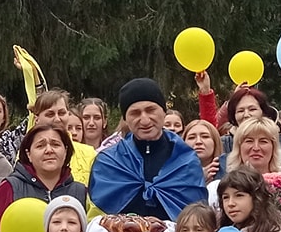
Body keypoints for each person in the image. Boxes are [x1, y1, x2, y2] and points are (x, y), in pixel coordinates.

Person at [87, 79, 207, 220]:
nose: (144, 120)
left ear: (163, 113)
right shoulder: (109, 162)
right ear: (125, 119)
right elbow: (99, 214)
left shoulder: (186, 160)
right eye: (135, 113)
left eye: (150, 110)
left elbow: (196, 214)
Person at [0, 123, 86, 232]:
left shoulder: (81, 191)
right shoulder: (10, 188)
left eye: (55, 144)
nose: (49, 150)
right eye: (40, 146)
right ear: (28, 154)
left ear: (66, 151)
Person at [183, 119, 222, 186]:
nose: (198, 141)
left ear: (215, 142)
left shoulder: (230, 171)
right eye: (192, 138)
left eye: (205, 137)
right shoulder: (173, 174)